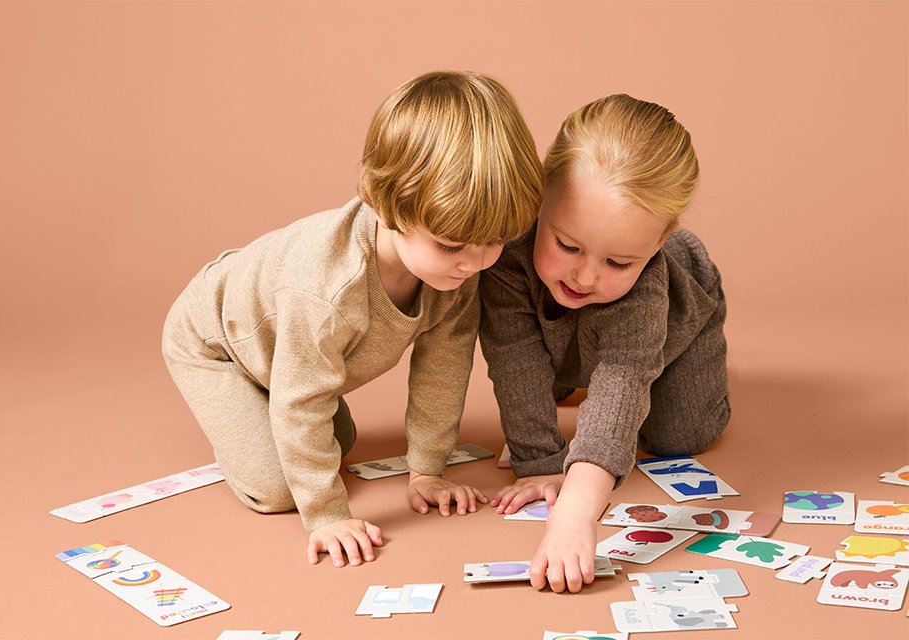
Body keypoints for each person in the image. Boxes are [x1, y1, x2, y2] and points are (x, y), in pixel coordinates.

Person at [162, 71, 542, 568]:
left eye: (494, 241)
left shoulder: (458, 268)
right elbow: (302, 402)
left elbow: (443, 371)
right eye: (451, 245)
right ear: (384, 207)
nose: (475, 263)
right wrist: (327, 516)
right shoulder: (327, 289)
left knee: (337, 442)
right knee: (280, 489)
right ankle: (254, 406)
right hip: (216, 343)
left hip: (286, 341)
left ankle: (275, 399)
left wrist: (426, 470)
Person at [480, 94, 729, 593]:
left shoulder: (647, 286)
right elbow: (513, 358)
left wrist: (574, 513)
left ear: (656, 245)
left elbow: (621, 382)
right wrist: (542, 465)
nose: (585, 274)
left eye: (618, 261)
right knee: (538, 380)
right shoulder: (506, 255)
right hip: (563, 332)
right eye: (567, 245)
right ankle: (573, 373)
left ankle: (655, 285)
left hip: (674, 332)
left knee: (679, 435)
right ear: (539, 201)